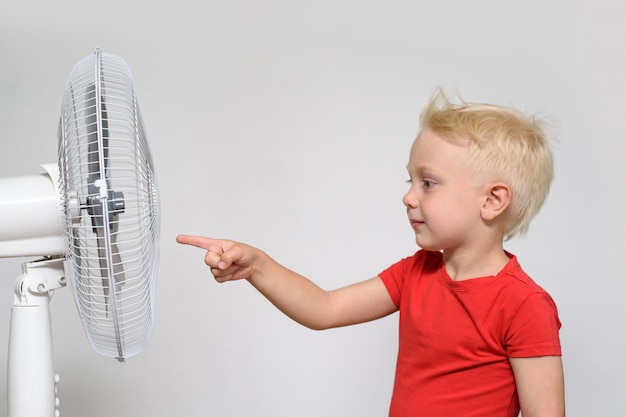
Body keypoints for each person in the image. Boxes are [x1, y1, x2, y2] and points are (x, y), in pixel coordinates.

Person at [177, 90, 565, 417]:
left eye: (428, 183)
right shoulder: (415, 274)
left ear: (493, 200)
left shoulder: (524, 305)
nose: (408, 196)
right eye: (410, 180)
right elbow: (324, 308)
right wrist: (257, 265)